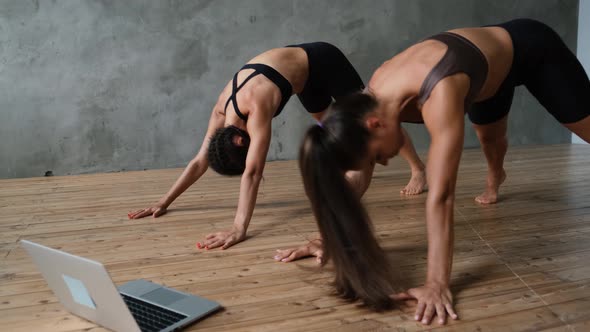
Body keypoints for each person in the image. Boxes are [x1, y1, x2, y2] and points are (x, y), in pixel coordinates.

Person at [290, 19, 590, 325]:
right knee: (490, 139)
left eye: (378, 156)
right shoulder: (367, 105)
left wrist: (437, 283)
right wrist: (325, 235)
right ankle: (495, 177)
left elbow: (442, 196)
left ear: (375, 125)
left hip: (530, 50)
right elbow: (357, 174)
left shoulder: (439, 91)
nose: (383, 163)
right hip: (487, 77)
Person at [127, 42, 427, 250]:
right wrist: (164, 201)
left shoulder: (256, 105)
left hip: (323, 59)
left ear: (240, 140)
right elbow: (199, 160)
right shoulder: (221, 111)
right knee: (333, 130)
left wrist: (238, 227)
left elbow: (254, 172)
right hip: (303, 79)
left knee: (369, 122)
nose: (252, 155)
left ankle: (417, 169)